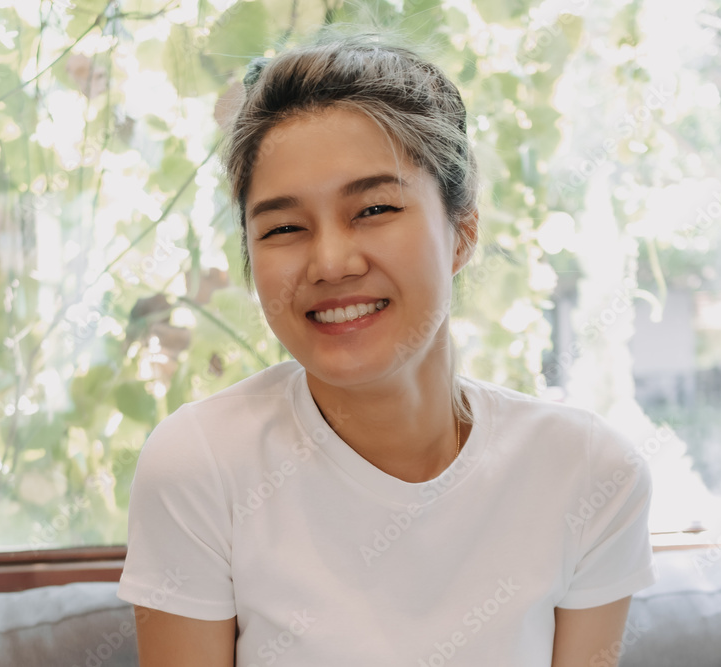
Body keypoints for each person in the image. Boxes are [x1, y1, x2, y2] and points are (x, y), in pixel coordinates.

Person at [117, 33, 657, 667]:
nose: (330, 262)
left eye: (373, 208)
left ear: (463, 231)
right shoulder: (200, 467)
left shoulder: (588, 473)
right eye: (284, 227)